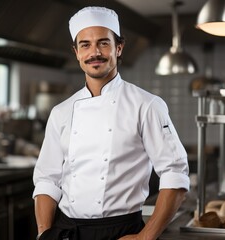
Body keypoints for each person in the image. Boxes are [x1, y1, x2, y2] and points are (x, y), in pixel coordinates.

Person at [33, 6, 190, 240]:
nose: (94, 52)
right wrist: (44, 234)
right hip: (66, 231)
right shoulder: (61, 112)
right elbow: (47, 180)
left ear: (119, 47)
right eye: (85, 44)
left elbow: (175, 176)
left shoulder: (146, 105)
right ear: (76, 52)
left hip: (122, 231)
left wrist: (144, 238)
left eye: (103, 43)